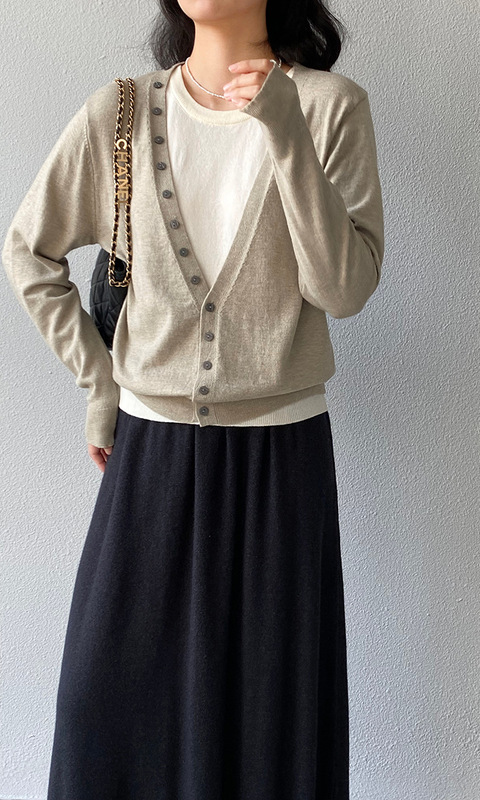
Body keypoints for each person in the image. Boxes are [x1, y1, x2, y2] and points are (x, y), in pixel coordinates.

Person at [2, 0, 385, 797]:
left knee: (267, 724)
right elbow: (30, 251)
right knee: (104, 718)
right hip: (151, 459)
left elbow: (343, 289)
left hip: (281, 465)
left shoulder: (330, 107)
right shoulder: (123, 113)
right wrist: (98, 384)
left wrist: (285, 133)